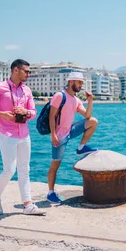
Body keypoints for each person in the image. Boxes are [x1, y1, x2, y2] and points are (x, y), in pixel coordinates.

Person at [0, 59, 45, 215]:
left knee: (24, 169)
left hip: (24, 134)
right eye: (26, 71)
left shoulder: (27, 90)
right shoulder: (0, 88)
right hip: (7, 133)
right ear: (15, 70)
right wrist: (0, 113)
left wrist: (26, 112)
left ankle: (28, 205)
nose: (28, 74)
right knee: (9, 170)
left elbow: (33, 112)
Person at [46, 71, 98, 203]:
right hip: (59, 136)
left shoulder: (76, 100)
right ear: (71, 82)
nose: (81, 85)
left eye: (82, 82)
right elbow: (51, 116)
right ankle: (50, 192)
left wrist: (90, 101)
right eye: (79, 82)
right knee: (55, 166)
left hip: (70, 131)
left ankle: (81, 148)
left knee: (93, 121)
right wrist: (53, 135)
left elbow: (87, 115)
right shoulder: (60, 96)